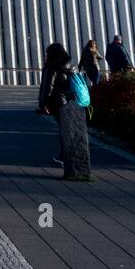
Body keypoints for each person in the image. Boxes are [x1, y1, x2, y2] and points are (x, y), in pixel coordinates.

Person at [37, 41, 92, 181]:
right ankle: (69, 155)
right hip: (73, 101)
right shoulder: (71, 64)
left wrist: (43, 103)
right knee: (70, 129)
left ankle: (64, 156)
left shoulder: (52, 66)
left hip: (58, 102)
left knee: (63, 129)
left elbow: (47, 87)